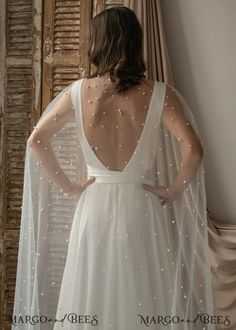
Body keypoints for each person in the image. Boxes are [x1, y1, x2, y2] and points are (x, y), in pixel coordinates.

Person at [11, 6, 216, 330]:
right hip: (141, 207)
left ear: (98, 43)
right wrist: (173, 190)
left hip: (94, 206)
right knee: (144, 294)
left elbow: (36, 141)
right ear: (135, 42)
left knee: (90, 293)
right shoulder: (159, 94)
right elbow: (194, 150)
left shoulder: (79, 93)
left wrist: (69, 187)